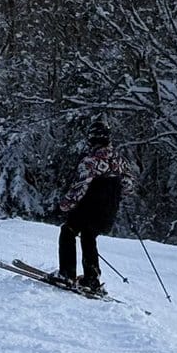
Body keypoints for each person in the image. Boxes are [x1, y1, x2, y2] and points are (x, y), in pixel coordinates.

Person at [52, 123, 131, 294]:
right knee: (89, 237)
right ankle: (92, 278)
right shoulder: (120, 160)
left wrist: (64, 206)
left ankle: (66, 274)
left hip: (88, 208)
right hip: (108, 211)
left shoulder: (90, 162)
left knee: (68, 231)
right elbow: (128, 185)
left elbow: (79, 188)